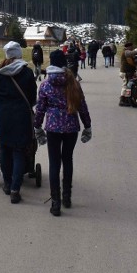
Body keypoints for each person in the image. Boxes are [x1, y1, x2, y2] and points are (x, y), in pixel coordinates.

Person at [34, 50, 92, 217]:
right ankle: (67, 197)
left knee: (54, 163)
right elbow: (82, 106)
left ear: (51, 63)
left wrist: (37, 126)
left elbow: (40, 109)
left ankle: (55, 202)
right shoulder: (73, 82)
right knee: (67, 159)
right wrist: (87, 125)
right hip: (71, 127)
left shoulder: (45, 84)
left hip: (52, 127)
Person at [0, 40, 37, 204]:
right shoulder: (27, 73)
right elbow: (32, 98)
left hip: (3, 116)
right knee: (18, 151)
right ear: (19, 54)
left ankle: (7, 183)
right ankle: (15, 189)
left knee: (4, 149)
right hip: (21, 117)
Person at [119, 42, 137, 106]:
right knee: (125, 86)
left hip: (126, 71)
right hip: (125, 72)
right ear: (129, 47)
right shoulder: (126, 51)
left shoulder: (125, 51)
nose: (133, 48)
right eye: (132, 47)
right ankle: (122, 100)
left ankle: (126, 99)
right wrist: (136, 51)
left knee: (127, 86)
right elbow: (130, 53)